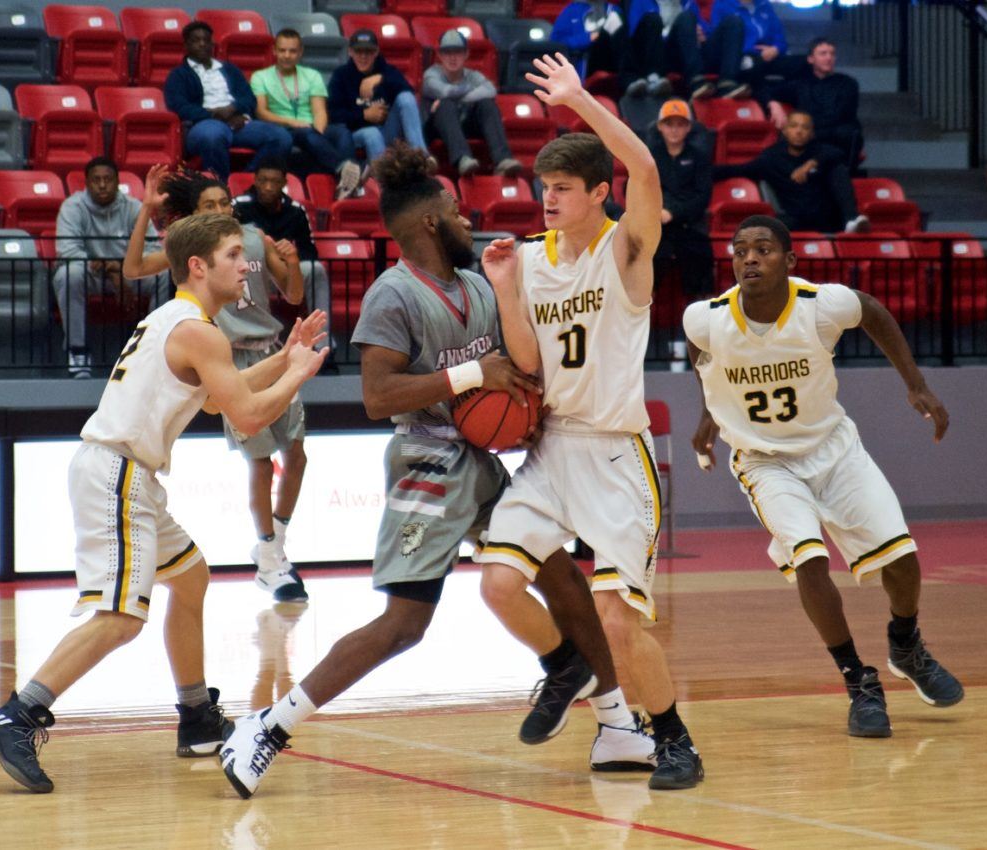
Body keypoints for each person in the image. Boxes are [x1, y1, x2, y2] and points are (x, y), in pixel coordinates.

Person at [217, 142, 657, 800]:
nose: (464, 215)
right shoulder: (392, 295)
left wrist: (525, 401)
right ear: (429, 221)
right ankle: (266, 727)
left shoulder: (478, 285)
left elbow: (519, 364)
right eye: (453, 207)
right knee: (405, 626)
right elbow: (378, 396)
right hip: (426, 461)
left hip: (478, 457)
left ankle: (616, 719)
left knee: (563, 576)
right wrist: (479, 374)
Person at [0, 213, 329, 794]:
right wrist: (299, 374)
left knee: (190, 577)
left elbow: (217, 398)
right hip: (117, 474)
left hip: (127, 474)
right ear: (199, 265)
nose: (247, 265)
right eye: (235, 255)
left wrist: (285, 358)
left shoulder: (182, 321)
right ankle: (18, 714)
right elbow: (246, 414)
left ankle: (196, 716)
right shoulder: (199, 331)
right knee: (120, 617)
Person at [476, 53, 704, 791]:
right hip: (551, 453)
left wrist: (580, 102)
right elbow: (526, 361)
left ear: (599, 194)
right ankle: (564, 664)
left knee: (616, 617)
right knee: (498, 585)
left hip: (614, 456)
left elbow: (645, 168)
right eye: (544, 187)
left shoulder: (624, 250)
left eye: (563, 189)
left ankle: (672, 738)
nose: (547, 199)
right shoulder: (535, 259)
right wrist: (507, 291)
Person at [682, 214, 964, 738]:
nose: (749, 258)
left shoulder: (821, 304)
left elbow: (875, 313)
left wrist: (915, 385)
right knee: (810, 560)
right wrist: (708, 416)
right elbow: (703, 359)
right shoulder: (706, 318)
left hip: (834, 449)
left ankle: (905, 642)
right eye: (741, 250)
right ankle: (859, 681)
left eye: (763, 249)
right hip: (765, 460)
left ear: (789, 261)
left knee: (902, 558)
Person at [123, 167, 310, 603]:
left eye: (224, 203)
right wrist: (146, 211)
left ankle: (274, 544)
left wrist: (295, 263)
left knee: (298, 455)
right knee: (261, 463)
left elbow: (295, 295)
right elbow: (133, 268)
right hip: (229, 357)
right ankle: (268, 555)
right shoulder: (190, 248)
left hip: (273, 350)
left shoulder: (254, 237)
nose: (221, 210)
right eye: (210, 206)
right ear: (196, 213)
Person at [52, 156, 169, 378]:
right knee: (69, 274)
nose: (103, 184)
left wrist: (120, 268)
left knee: (161, 274)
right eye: (96, 180)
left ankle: (153, 347)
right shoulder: (72, 207)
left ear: (117, 182)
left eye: (108, 179)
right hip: (91, 273)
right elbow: (67, 251)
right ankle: (78, 351)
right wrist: (111, 268)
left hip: (129, 274)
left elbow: (153, 249)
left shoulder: (133, 207)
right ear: (87, 183)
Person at [164, 21, 292, 180]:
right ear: (186, 45)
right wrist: (213, 115)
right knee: (213, 136)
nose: (202, 44)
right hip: (203, 124)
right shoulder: (178, 75)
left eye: (206, 40)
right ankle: (220, 188)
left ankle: (246, 181)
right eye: (196, 40)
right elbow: (179, 106)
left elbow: (249, 98)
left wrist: (234, 109)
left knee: (281, 137)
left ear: (213, 44)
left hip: (237, 122)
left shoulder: (230, 69)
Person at [714, 110, 869, 233]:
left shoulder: (820, 151)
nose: (799, 131)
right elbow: (737, 169)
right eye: (794, 126)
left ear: (812, 134)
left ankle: (852, 219)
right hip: (795, 220)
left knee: (837, 167)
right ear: (785, 130)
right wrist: (700, 170)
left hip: (827, 219)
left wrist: (811, 163)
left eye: (805, 127)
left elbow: (839, 153)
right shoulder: (771, 158)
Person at [250, 29, 362, 199]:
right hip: (282, 129)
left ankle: (347, 184)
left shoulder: (312, 75)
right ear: (274, 51)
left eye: (292, 51)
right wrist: (292, 122)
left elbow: (319, 111)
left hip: (310, 127)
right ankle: (347, 170)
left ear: (300, 52)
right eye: (282, 50)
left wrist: (320, 129)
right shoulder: (260, 76)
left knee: (342, 133)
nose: (287, 55)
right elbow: (261, 112)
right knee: (308, 134)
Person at [233, 157, 330, 321]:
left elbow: (309, 251)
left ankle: (323, 341)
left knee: (316, 269)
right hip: (252, 271)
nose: (268, 187)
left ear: (284, 183)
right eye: (263, 181)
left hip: (285, 271)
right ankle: (250, 332)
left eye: (275, 182)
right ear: (255, 180)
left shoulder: (295, 210)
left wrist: (289, 260)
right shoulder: (239, 206)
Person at [421, 29, 523, 178]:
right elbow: (445, 91)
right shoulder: (432, 74)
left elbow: (490, 90)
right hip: (439, 128)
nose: (452, 57)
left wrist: (460, 98)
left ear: (466, 54)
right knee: (445, 105)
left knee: (487, 104)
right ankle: (462, 159)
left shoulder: (472, 75)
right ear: (440, 55)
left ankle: (503, 160)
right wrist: (469, 93)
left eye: (457, 52)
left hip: (466, 123)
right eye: (447, 52)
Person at [327, 30, 433, 167]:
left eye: (368, 52)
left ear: (376, 52)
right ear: (350, 52)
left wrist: (380, 78)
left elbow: (408, 94)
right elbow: (333, 115)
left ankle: (421, 159)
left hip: (387, 129)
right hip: (357, 133)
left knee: (406, 98)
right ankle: (385, 181)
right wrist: (364, 115)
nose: (363, 57)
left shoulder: (387, 71)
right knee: (372, 133)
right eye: (359, 51)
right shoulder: (340, 75)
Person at [763, 38, 864, 171]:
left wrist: (810, 131)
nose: (829, 58)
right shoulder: (800, 84)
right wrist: (773, 104)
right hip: (809, 139)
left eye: (832, 54)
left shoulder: (848, 83)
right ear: (811, 59)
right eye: (823, 53)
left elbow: (838, 116)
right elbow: (767, 91)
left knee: (846, 133)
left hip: (836, 139)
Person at [649, 99, 713, 302]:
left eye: (680, 124)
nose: (674, 130)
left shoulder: (700, 157)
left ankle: (697, 325)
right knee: (646, 265)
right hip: (658, 227)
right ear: (660, 127)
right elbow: (642, 189)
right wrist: (658, 211)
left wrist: (673, 212)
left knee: (699, 261)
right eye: (669, 124)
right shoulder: (650, 156)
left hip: (690, 226)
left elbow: (702, 197)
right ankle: (647, 328)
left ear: (688, 127)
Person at [621, 0, 747, 99]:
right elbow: (636, 36)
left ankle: (727, 83)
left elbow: (701, 28)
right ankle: (696, 80)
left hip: (687, 54)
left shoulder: (688, 3)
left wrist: (701, 35)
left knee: (734, 22)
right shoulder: (639, 1)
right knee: (680, 18)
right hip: (657, 57)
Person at [710, 0, 804, 94]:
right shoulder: (723, 5)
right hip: (742, 57)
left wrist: (776, 49)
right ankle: (769, 102)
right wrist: (754, 51)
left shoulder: (765, 4)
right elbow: (722, 40)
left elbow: (780, 38)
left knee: (805, 63)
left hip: (770, 54)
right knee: (752, 65)